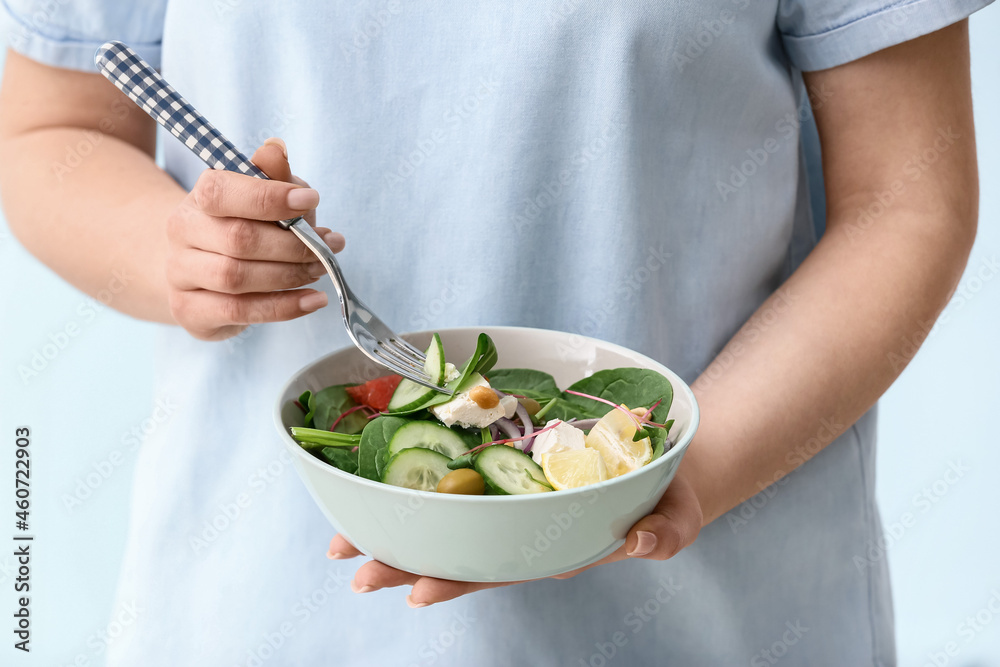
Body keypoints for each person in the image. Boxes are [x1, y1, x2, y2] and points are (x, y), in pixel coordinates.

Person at [0, 1, 990, 664]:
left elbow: (905, 202)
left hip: (707, 609)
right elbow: (53, 127)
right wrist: (176, 250)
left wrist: (666, 473)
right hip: (259, 601)